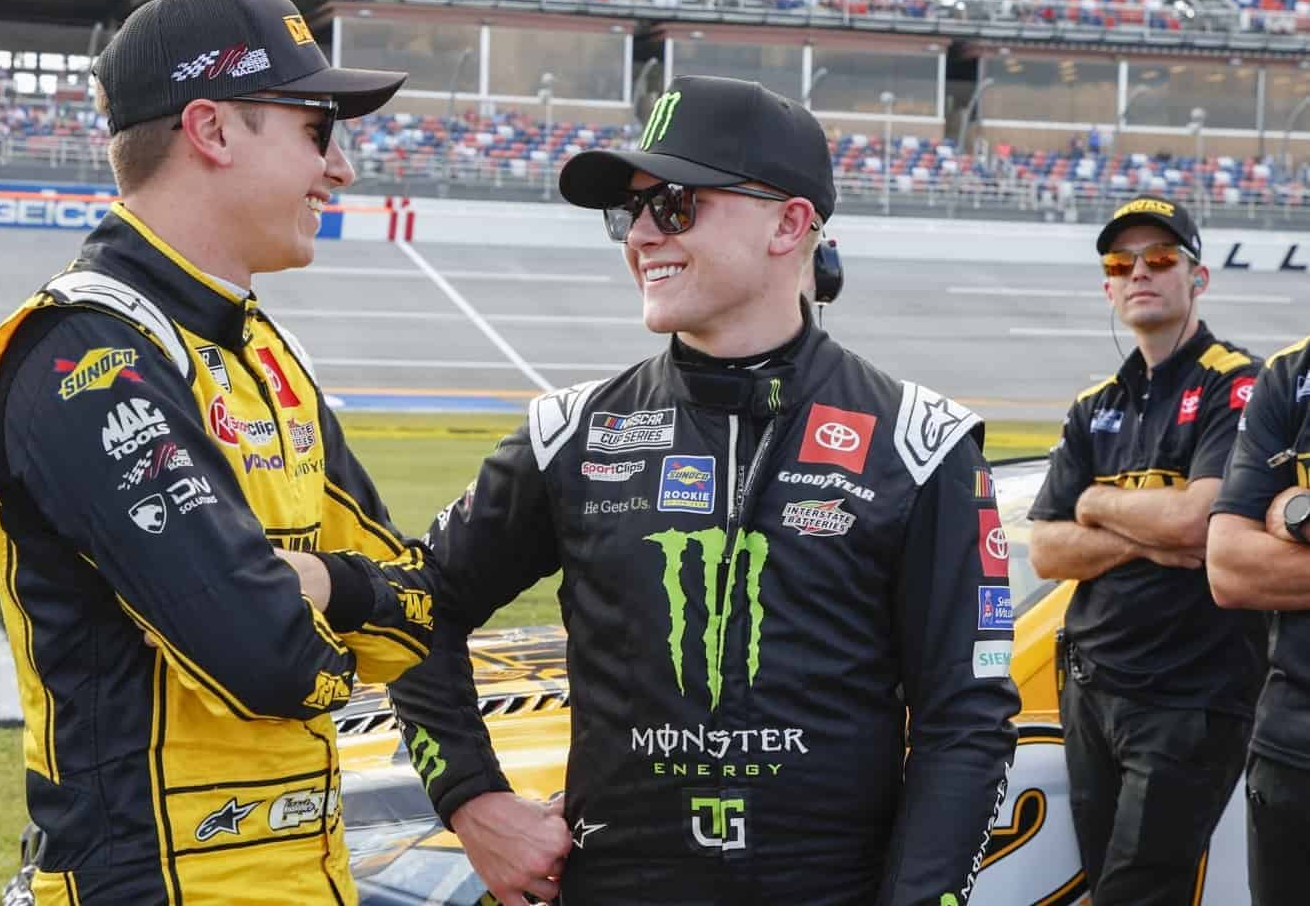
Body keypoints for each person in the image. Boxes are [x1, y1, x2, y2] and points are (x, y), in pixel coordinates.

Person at [388, 75, 1019, 905]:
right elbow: (411, 607)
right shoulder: (570, 435)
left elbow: (966, 722)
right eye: (630, 210)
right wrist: (472, 800)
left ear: (789, 224)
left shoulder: (921, 445)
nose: (641, 234)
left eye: (676, 204)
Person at [0, 0, 437, 905]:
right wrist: (340, 610)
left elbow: (424, 612)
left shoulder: (263, 350)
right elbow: (272, 662)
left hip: (310, 876)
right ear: (212, 130)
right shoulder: (84, 353)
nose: (341, 169)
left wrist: (321, 584)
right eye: (317, 131)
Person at [1027, 194, 1265, 902]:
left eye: (1160, 258)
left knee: (1136, 891)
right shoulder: (1094, 402)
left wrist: (1096, 505)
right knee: (1107, 882)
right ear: (1108, 285)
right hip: (1092, 688)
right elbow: (1047, 550)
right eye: (1120, 262)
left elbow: (1197, 525)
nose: (1139, 272)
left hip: (1191, 694)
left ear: (1198, 277)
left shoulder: (1237, 382)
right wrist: (1143, 534)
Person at [1209, 334, 1310, 906]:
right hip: (1291, 753)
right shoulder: (1289, 374)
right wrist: (1297, 511)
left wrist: (1291, 512)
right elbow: (1229, 569)